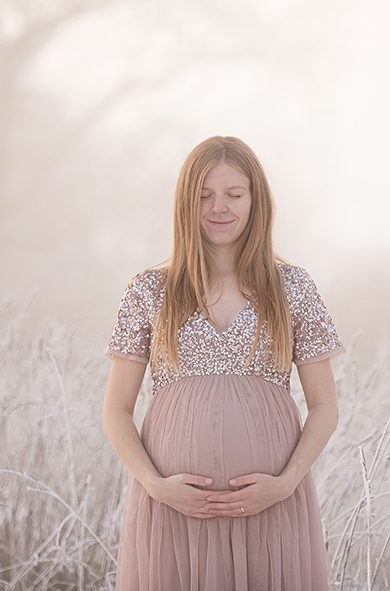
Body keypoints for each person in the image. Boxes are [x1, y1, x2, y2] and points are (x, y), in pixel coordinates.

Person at [102, 136, 346, 590]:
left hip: (270, 508)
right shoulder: (150, 290)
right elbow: (115, 412)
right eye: (205, 196)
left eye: (234, 195)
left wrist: (286, 483)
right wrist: (156, 486)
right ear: (185, 204)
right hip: (173, 512)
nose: (220, 208)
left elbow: (325, 406)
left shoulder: (292, 288)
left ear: (256, 201)